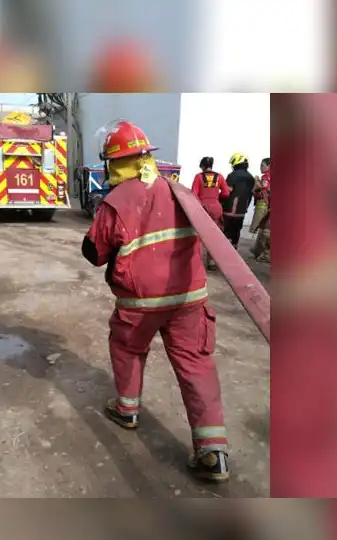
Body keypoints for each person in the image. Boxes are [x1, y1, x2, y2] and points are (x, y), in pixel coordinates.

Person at [81, 120, 230, 482]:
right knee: (196, 364)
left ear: (113, 164)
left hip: (140, 304)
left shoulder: (114, 202)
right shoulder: (181, 192)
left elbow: (93, 252)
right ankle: (213, 453)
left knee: (129, 349)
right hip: (188, 299)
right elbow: (213, 222)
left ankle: (127, 410)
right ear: (147, 156)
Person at [191, 157, 229, 270]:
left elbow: (194, 194)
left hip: (203, 208)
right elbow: (226, 193)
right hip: (216, 208)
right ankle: (212, 262)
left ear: (202, 166)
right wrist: (216, 198)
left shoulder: (198, 177)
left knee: (199, 235)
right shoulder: (220, 176)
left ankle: (196, 261)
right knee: (214, 236)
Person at [223, 153, 256, 250]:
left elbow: (227, 191)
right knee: (236, 231)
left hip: (229, 210)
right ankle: (234, 249)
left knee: (226, 232)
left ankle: (224, 251)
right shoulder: (251, 177)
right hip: (242, 210)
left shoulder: (233, 175)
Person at [250, 157, 271, 262]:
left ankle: (263, 253)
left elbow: (264, 193)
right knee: (263, 228)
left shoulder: (266, 178)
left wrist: (256, 185)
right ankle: (258, 250)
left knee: (264, 229)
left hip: (263, 205)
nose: (260, 167)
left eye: (262, 165)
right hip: (267, 206)